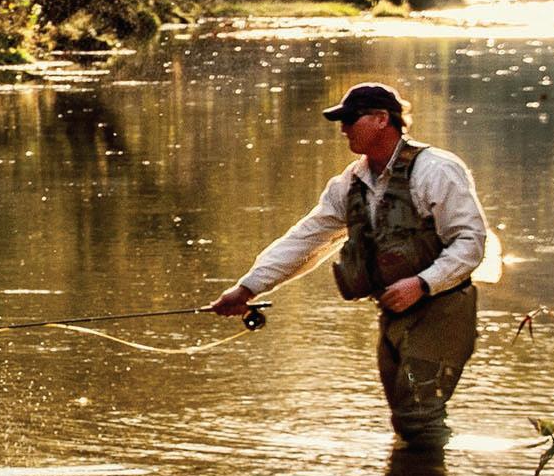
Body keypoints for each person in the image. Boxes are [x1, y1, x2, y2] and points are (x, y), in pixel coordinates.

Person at [208, 83, 488, 448]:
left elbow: (470, 243)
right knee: (406, 421)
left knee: (418, 417)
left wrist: (422, 283)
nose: (342, 129)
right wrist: (247, 288)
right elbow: (306, 239)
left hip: (444, 309)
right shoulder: (350, 183)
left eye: (350, 119)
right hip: (394, 313)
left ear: (382, 119)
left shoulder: (437, 170)